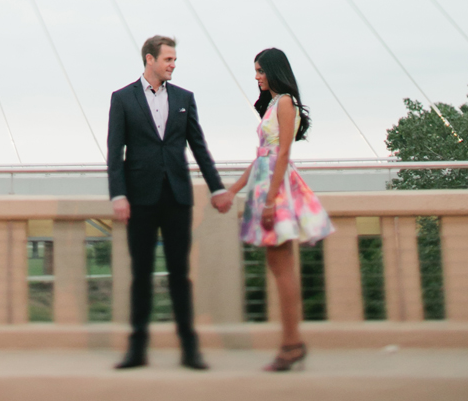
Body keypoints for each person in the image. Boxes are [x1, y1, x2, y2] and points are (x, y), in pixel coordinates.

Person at [107, 35, 232, 370]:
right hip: (139, 199)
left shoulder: (184, 99)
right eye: (168, 60)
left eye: (175, 60)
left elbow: (199, 148)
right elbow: (114, 153)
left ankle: (190, 350)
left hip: (177, 197)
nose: (173, 65)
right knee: (141, 274)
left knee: (180, 274)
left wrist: (217, 188)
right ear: (150, 59)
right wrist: (118, 195)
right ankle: (137, 350)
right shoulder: (122, 99)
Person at [221, 47, 333, 372]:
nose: (256, 77)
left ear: (273, 70)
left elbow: (282, 153)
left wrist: (270, 200)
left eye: (260, 70)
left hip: (275, 188)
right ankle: (291, 343)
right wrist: (233, 190)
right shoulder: (271, 104)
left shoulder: (284, 102)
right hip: (265, 183)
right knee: (278, 265)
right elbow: (262, 155)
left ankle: (292, 344)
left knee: (282, 266)